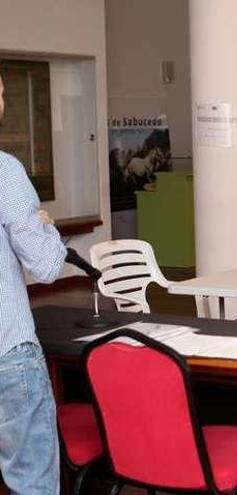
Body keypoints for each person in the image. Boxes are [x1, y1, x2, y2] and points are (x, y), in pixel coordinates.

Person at [0, 72, 67, 494]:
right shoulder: (4, 170)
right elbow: (45, 266)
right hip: (7, 351)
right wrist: (49, 230)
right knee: (32, 482)